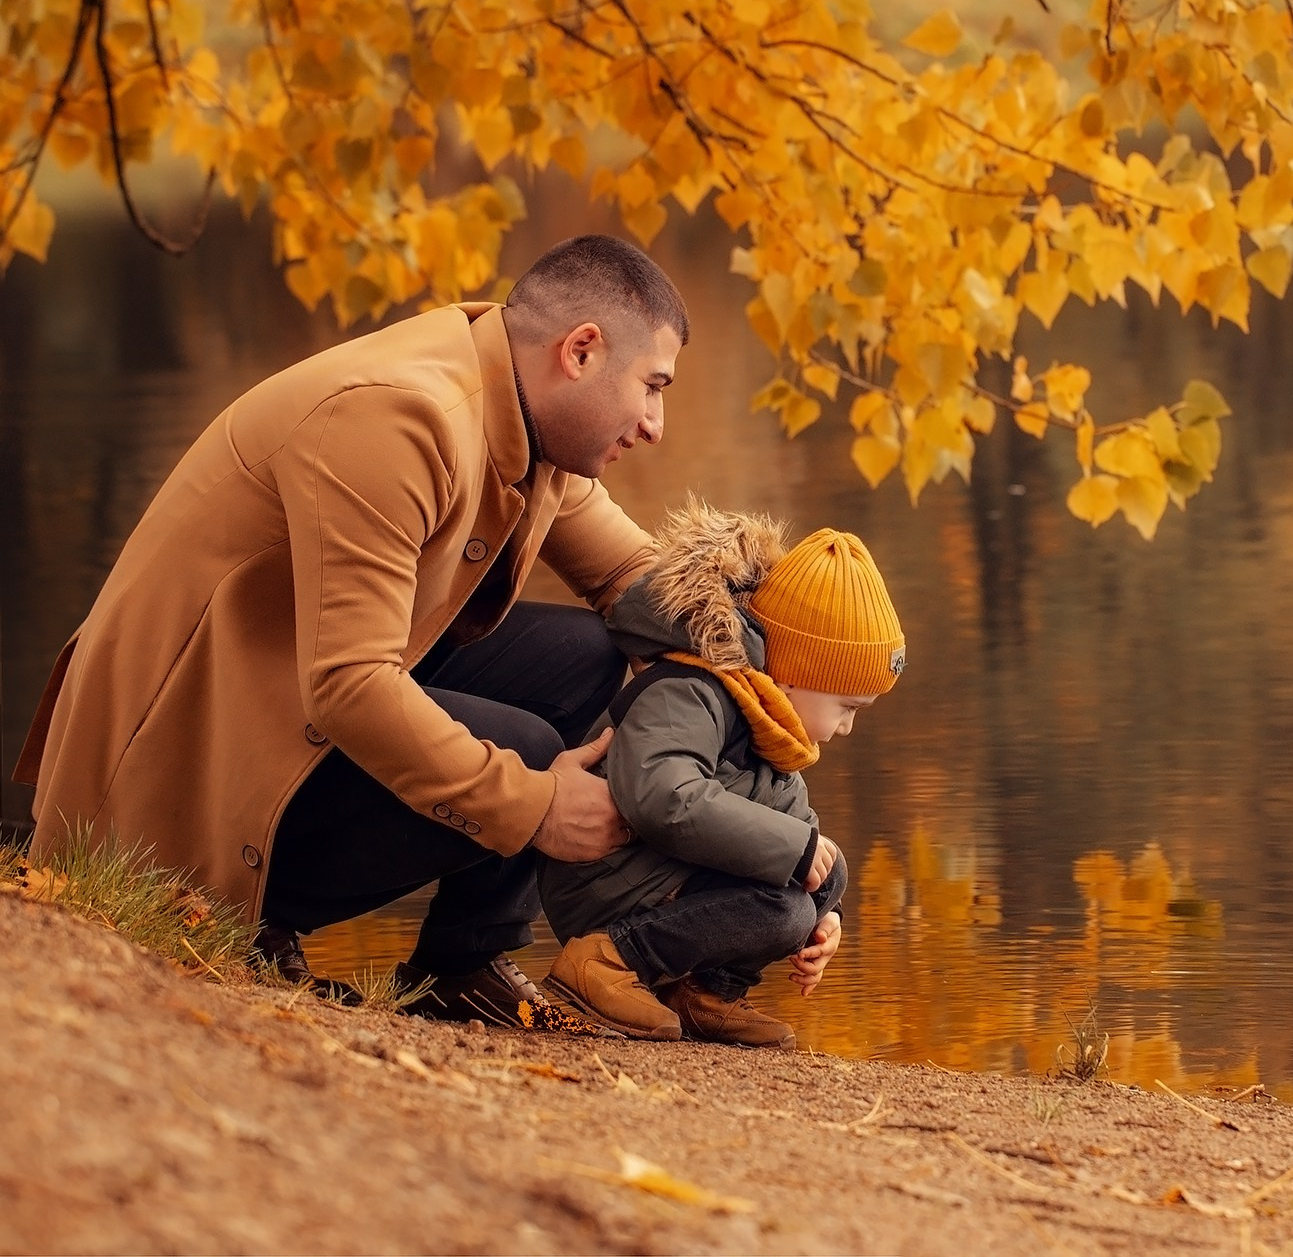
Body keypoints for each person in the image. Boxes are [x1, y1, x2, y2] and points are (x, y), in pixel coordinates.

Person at [12, 234, 684, 1025]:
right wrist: (536, 805)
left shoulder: (525, 412)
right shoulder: (401, 418)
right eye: (652, 387)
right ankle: (255, 922)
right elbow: (350, 686)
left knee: (586, 654)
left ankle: (465, 963)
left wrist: (775, 654)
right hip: (183, 767)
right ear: (581, 351)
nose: (656, 424)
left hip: (276, 699)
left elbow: (638, 582)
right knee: (530, 751)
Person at [539, 499, 904, 1049]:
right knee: (784, 905)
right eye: (847, 706)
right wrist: (794, 856)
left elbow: (796, 827)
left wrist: (827, 917)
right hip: (605, 870)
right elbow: (662, 796)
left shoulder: (769, 722)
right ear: (796, 670)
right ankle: (604, 961)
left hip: (658, 871)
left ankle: (704, 992)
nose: (847, 727)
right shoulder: (690, 690)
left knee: (825, 874)